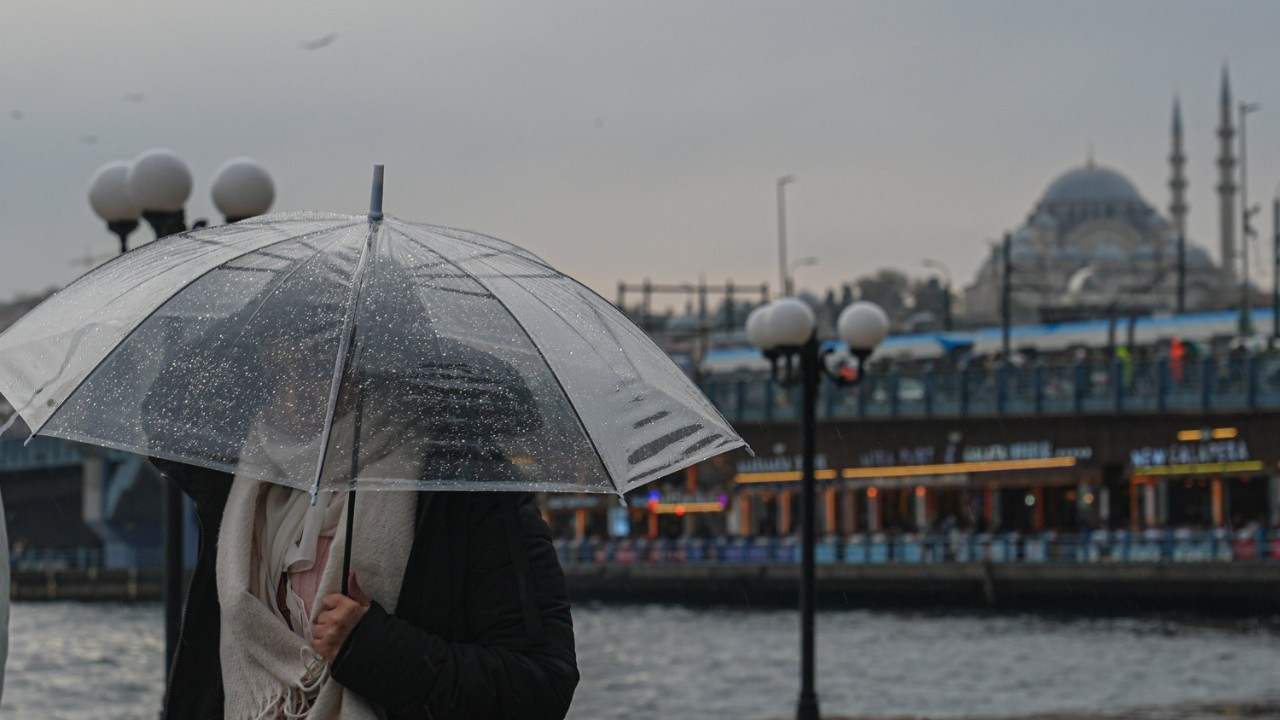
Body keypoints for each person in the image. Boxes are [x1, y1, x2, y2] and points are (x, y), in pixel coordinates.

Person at [148, 289, 578, 718]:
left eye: (321, 368)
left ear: (381, 369)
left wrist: (370, 647)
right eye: (278, 367)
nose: (294, 394)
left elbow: (539, 686)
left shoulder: (461, 487)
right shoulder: (239, 480)